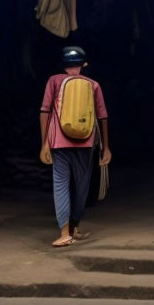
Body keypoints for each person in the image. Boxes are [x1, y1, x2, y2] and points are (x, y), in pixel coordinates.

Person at [40, 46, 111, 247]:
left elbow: (45, 111)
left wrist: (44, 143)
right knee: (82, 186)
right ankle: (75, 226)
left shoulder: (54, 81)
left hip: (58, 142)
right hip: (86, 142)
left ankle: (65, 233)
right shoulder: (93, 85)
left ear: (63, 65)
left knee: (61, 184)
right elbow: (102, 116)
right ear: (84, 64)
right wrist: (106, 146)